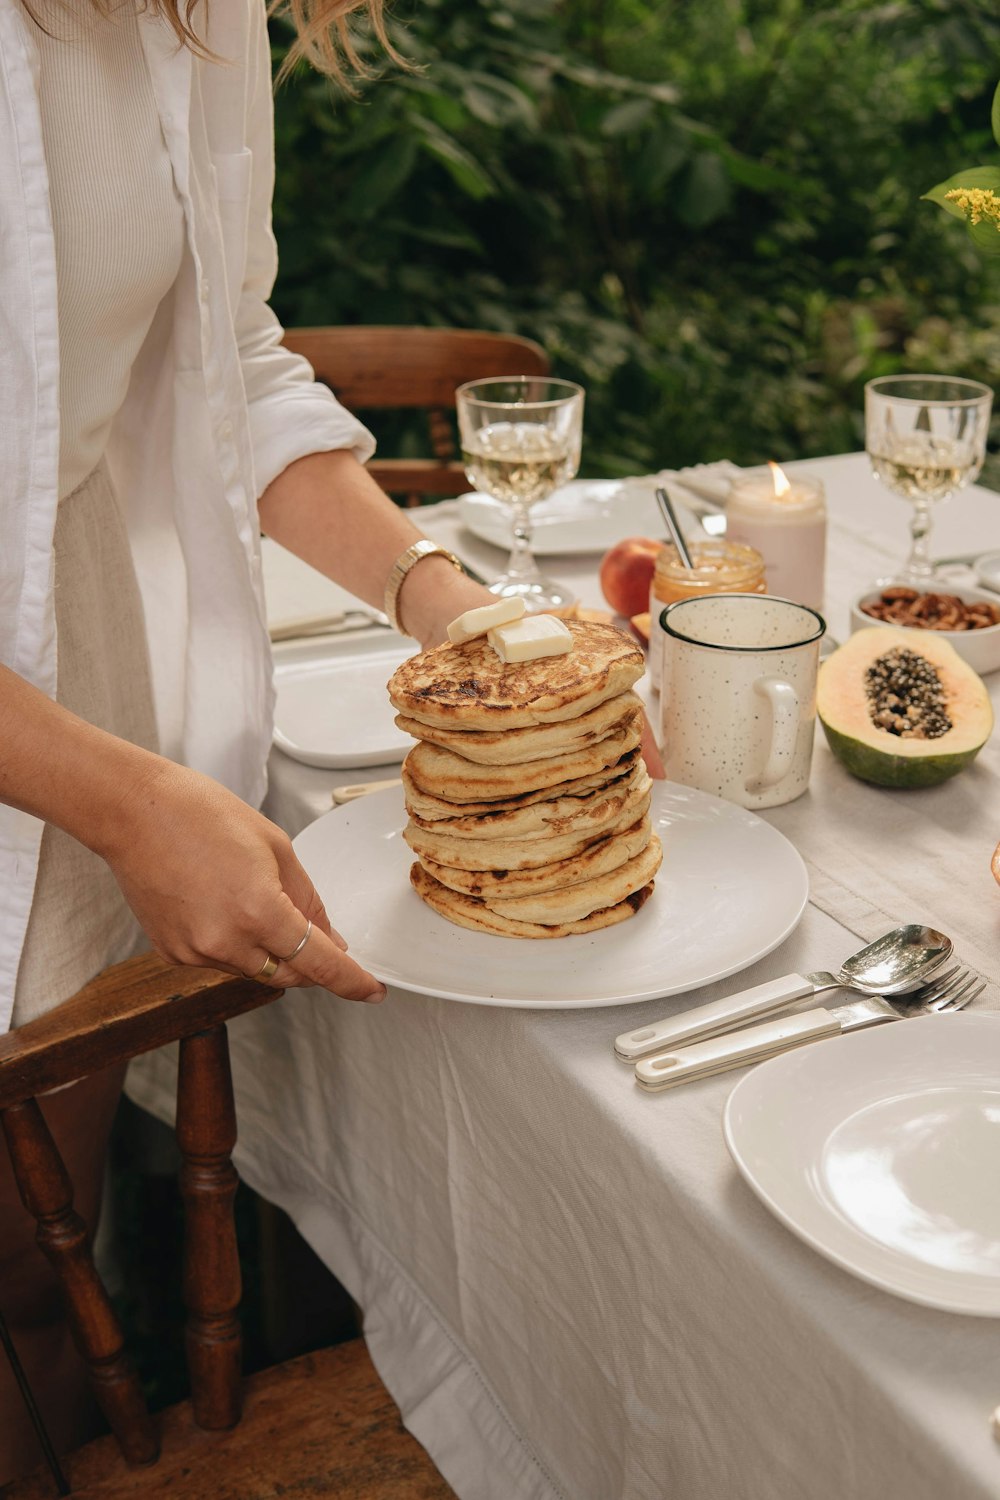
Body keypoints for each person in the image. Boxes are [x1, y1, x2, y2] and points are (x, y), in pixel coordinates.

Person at [0, 0, 497, 1478]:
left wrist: (447, 602)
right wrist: (126, 804)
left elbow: (231, 351)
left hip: (88, 688)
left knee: (37, 1268)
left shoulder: (192, 14)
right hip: (80, 766)